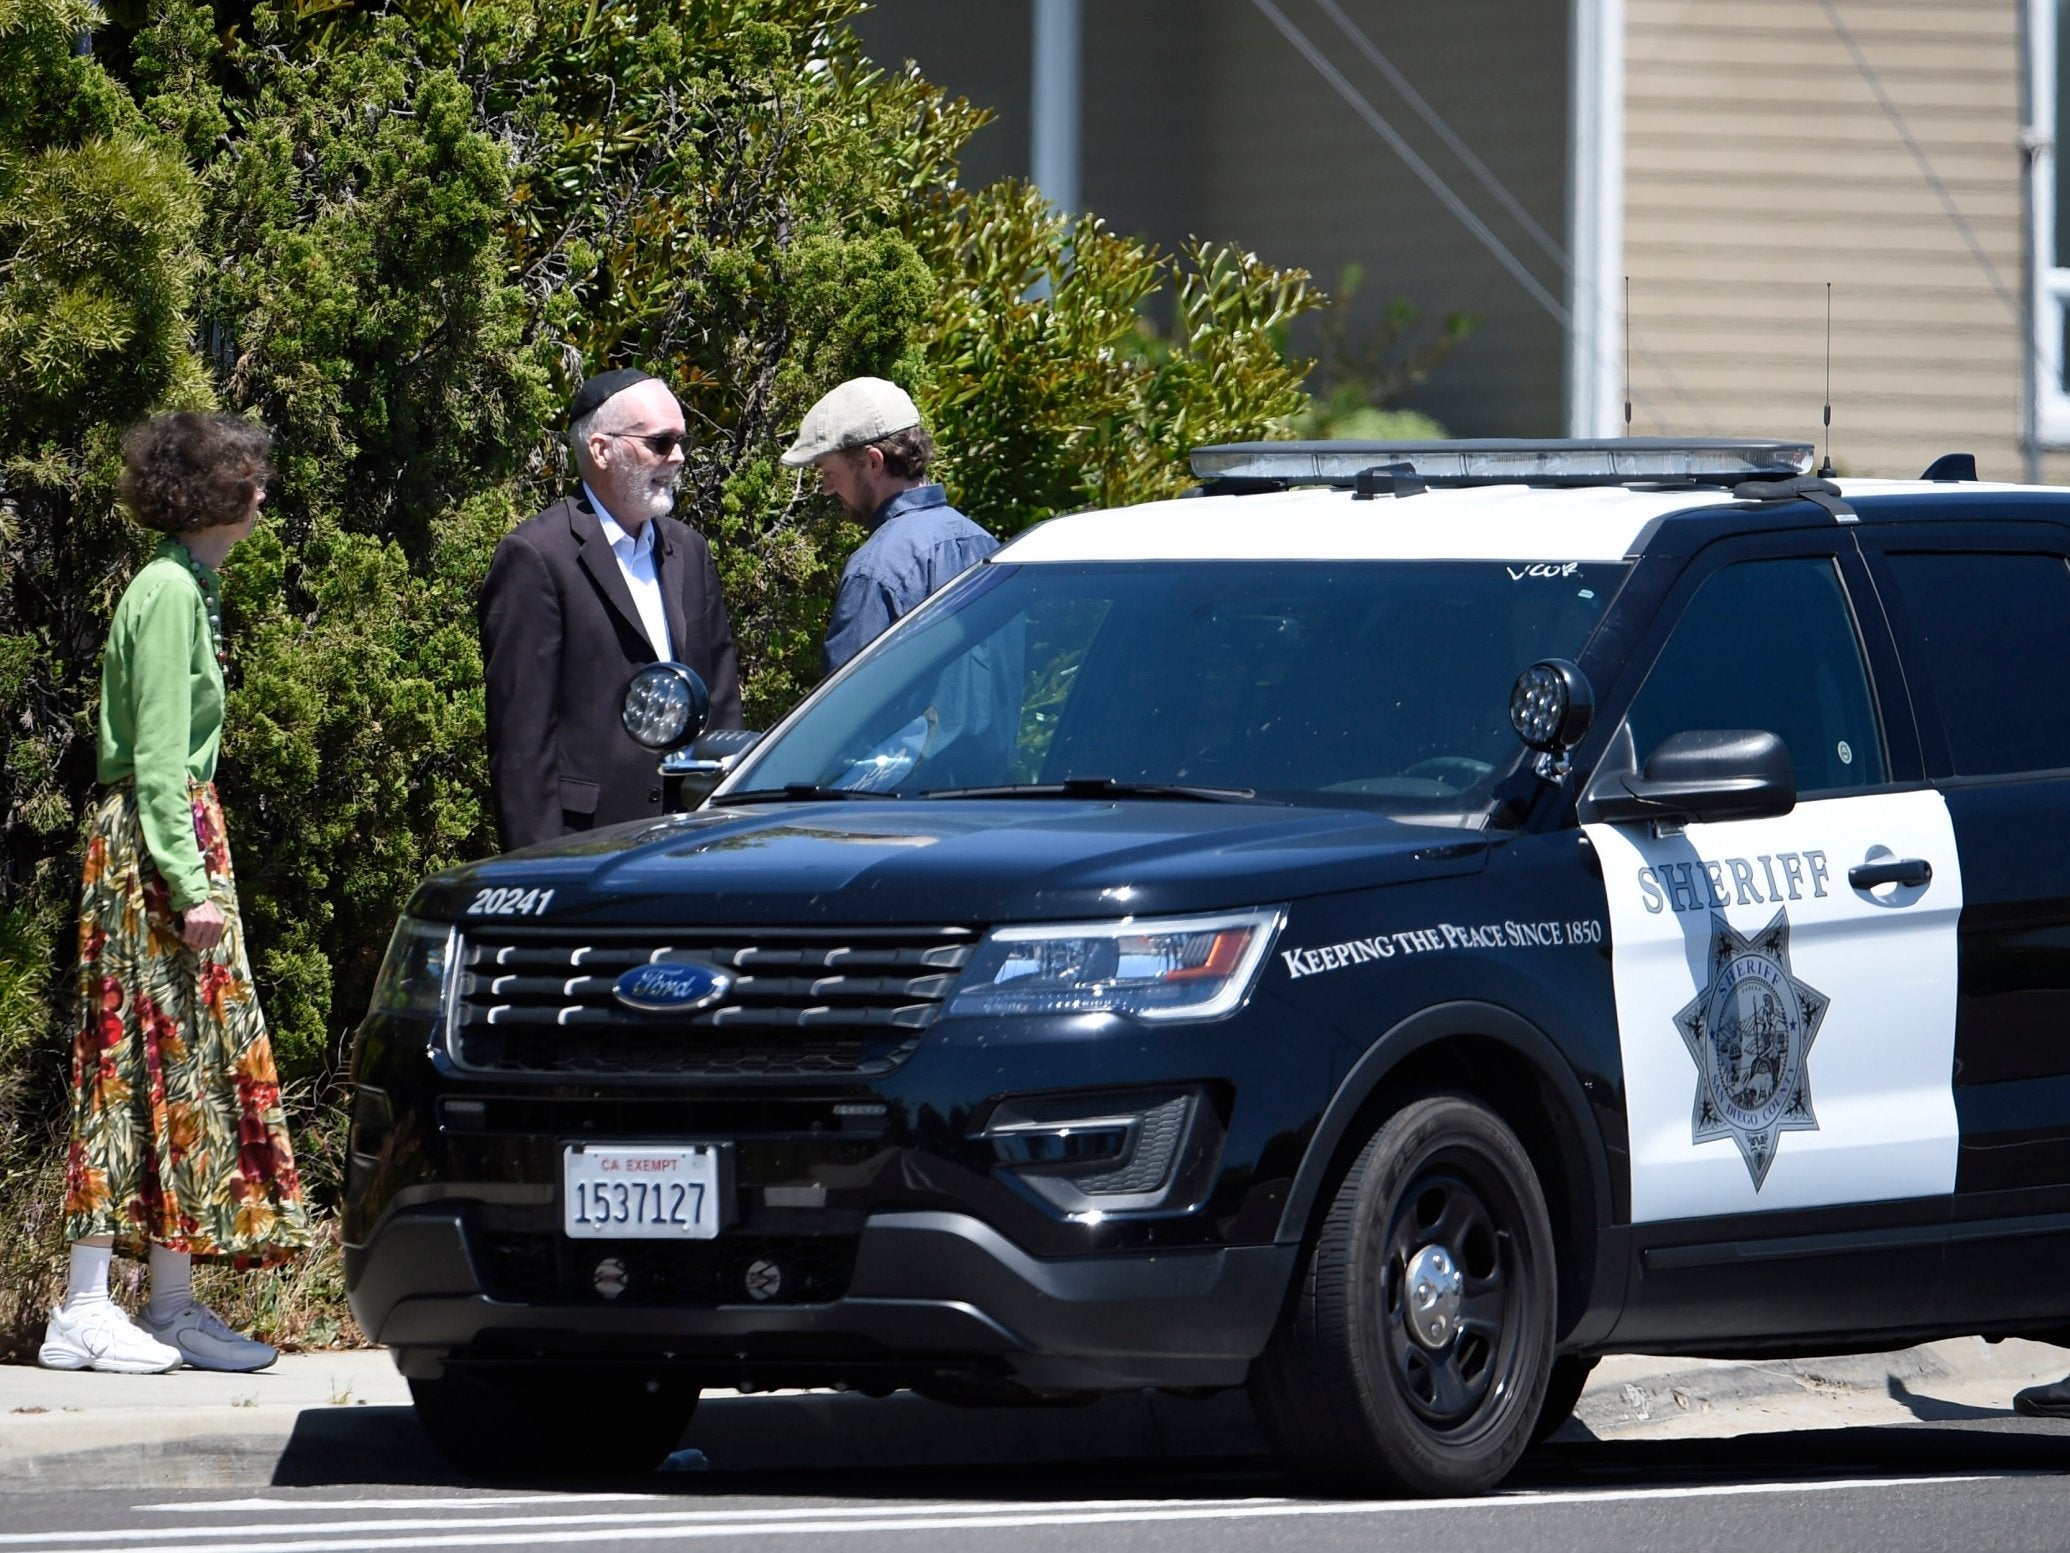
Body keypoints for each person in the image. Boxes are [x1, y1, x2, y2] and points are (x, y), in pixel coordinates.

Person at [42, 411, 311, 1375]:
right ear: (209, 492)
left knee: (183, 1068)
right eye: (247, 477)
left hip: (177, 845)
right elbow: (157, 758)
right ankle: (81, 1304)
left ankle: (169, 1303)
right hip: (156, 853)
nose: (261, 493)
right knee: (126, 1060)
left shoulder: (187, 587)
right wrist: (188, 881)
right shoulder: (165, 591)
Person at [480, 369, 744, 852]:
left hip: (694, 839)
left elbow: (722, 701)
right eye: (661, 442)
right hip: (590, 845)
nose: (678, 457)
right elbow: (521, 742)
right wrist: (542, 871)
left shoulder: (689, 550)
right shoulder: (537, 555)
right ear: (602, 449)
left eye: (682, 441)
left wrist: (729, 828)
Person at [780, 377, 998, 671]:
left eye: (829, 473)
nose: (827, 489)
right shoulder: (988, 546)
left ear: (873, 462)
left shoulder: (876, 569)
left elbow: (852, 706)